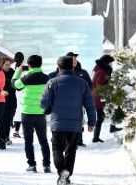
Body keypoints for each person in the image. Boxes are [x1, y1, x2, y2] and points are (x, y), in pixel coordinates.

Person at [41, 55, 96, 185]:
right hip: (75, 124)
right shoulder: (82, 83)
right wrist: (92, 122)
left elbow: (43, 103)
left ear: (59, 67)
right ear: (73, 66)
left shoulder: (52, 82)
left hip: (57, 123)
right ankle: (66, 176)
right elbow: (90, 104)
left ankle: (62, 171)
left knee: (57, 148)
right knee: (71, 150)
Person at [12, 54, 51, 173]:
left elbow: (14, 84)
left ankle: (32, 165)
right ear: (41, 64)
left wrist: (18, 72)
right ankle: (46, 165)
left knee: (28, 140)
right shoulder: (46, 78)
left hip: (27, 113)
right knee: (43, 140)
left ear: (29, 65)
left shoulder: (26, 78)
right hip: (40, 112)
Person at [91, 54, 115, 142]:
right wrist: (105, 97)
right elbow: (100, 87)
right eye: (110, 63)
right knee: (100, 118)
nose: (111, 65)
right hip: (99, 98)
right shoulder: (101, 72)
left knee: (101, 117)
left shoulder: (100, 70)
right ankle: (95, 137)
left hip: (98, 97)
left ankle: (96, 137)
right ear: (107, 63)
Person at [1, 56, 16, 145]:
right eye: (6, 65)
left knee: (10, 118)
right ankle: (5, 137)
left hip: (12, 98)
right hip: (2, 99)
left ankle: (6, 135)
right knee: (4, 119)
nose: (8, 66)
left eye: (9, 65)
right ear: (2, 65)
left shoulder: (12, 72)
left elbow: (16, 84)